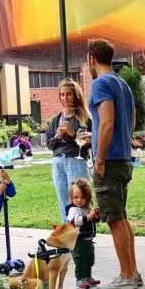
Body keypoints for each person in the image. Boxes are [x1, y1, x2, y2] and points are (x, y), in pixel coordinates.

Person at [86, 38, 140, 289]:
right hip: (124, 158)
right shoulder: (123, 85)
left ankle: (126, 275)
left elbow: (106, 122)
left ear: (91, 59)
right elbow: (131, 120)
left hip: (109, 161)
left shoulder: (100, 84)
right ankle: (133, 272)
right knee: (121, 217)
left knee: (114, 219)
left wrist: (99, 158)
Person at [45, 78, 92, 223]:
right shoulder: (56, 119)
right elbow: (50, 144)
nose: (65, 98)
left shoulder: (84, 118)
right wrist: (58, 137)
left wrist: (72, 134)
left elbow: (87, 144)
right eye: (62, 95)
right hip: (58, 162)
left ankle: (84, 233)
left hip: (75, 161)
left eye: (68, 94)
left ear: (76, 95)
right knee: (63, 201)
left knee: (79, 198)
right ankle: (68, 234)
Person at [66, 178, 100, 289]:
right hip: (78, 240)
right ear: (71, 198)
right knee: (80, 260)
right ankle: (80, 278)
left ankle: (88, 277)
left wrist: (96, 217)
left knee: (89, 259)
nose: (79, 200)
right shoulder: (73, 210)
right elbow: (75, 221)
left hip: (88, 239)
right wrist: (89, 217)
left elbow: (92, 221)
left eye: (83, 197)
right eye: (76, 197)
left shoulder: (86, 208)